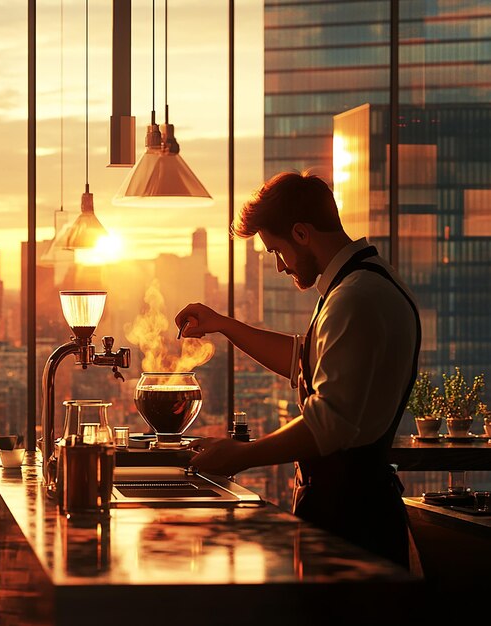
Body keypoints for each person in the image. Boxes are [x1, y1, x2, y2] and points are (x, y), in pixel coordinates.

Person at [175, 171, 421, 570]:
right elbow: (303, 361)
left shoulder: (354, 299)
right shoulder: (361, 285)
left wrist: (242, 455)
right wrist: (224, 324)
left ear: (302, 234)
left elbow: (329, 423)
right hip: (351, 511)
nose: (278, 266)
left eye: (276, 251)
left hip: (352, 522)